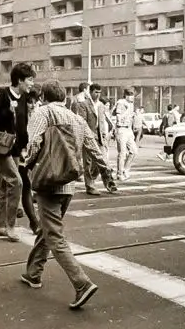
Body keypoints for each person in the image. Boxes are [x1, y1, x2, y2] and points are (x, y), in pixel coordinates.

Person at [21, 80, 116, 309]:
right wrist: (107, 172)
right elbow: (93, 148)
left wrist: (27, 165)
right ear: (64, 98)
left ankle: (81, 283)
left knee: (54, 235)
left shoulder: (42, 113)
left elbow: (34, 143)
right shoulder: (77, 118)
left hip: (48, 183)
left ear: (44, 96)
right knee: (48, 228)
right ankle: (33, 273)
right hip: (69, 185)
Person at [0, 63, 35, 241]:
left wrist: (23, 147)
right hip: (0, 147)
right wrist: (7, 111)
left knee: (6, 186)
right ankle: (10, 226)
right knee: (16, 182)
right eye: (29, 80)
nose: (32, 83)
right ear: (19, 80)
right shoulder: (2, 94)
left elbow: (23, 125)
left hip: (14, 148)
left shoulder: (23, 98)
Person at [71, 83, 113, 196]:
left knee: (101, 161)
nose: (98, 95)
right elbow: (82, 122)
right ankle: (89, 186)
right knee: (88, 163)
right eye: (95, 92)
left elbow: (102, 121)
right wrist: (87, 136)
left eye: (99, 92)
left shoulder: (101, 106)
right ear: (90, 92)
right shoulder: (83, 105)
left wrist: (104, 134)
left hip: (99, 137)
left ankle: (93, 180)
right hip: (88, 136)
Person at [17, 89, 42, 234]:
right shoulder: (20, 116)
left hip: (34, 156)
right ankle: (34, 221)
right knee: (25, 185)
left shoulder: (39, 116)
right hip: (21, 155)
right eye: (29, 102)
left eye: (35, 102)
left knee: (25, 186)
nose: (32, 105)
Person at [113, 87, 138, 180]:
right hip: (121, 129)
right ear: (126, 95)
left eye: (133, 95)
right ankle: (119, 173)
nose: (132, 97)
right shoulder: (121, 103)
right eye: (130, 95)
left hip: (128, 130)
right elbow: (119, 117)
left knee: (134, 151)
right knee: (122, 153)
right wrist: (128, 113)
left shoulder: (130, 104)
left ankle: (125, 169)